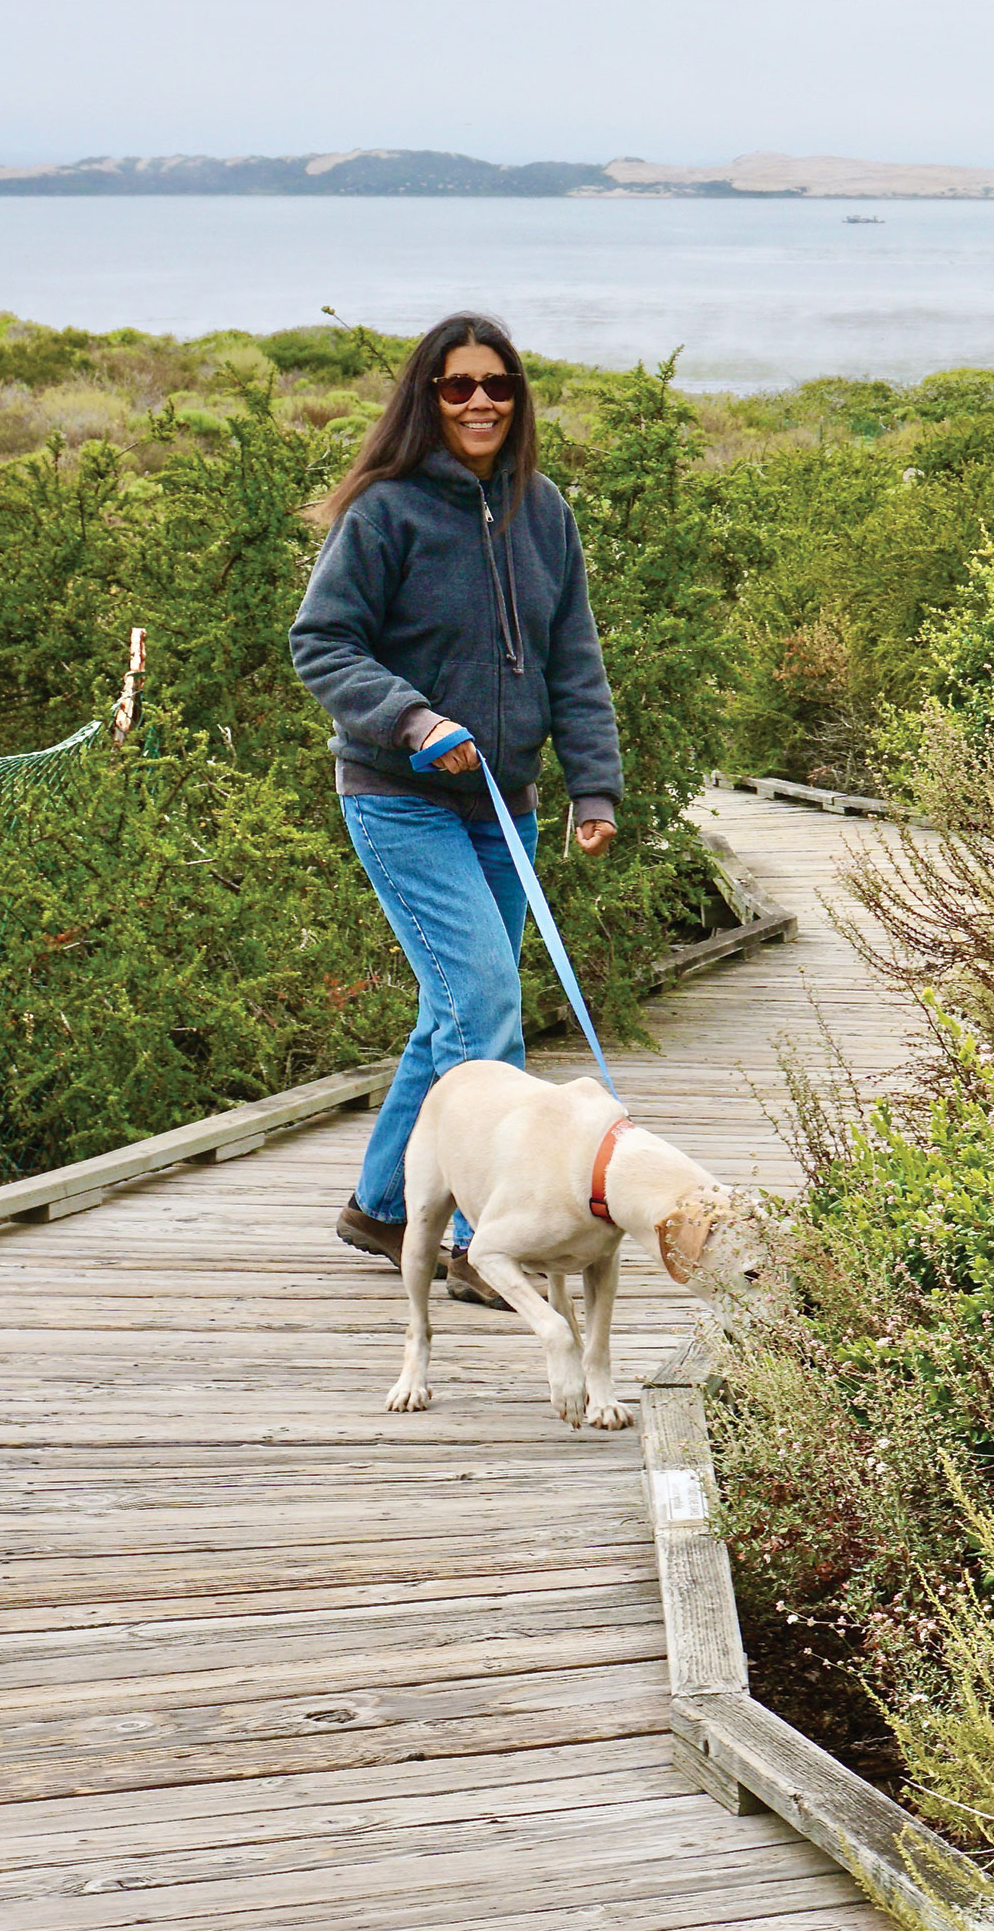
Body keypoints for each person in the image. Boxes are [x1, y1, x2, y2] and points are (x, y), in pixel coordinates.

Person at [290, 311, 620, 1305]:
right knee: (483, 1005)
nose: (481, 401)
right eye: (458, 385)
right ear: (426, 399)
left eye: (498, 384)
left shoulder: (542, 510)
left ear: (517, 397)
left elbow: (574, 660)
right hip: (401, 798)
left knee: (454, 1010)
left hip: (504, 806)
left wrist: (593, 786)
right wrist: (413, 718)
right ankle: (485, 1242)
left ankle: (385, 1204)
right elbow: (323, 642)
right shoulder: (384, 511)